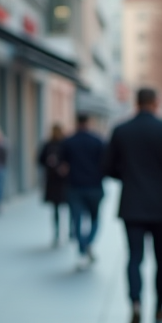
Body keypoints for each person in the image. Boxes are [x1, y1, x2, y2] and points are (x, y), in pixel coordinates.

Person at [104, 88, 162, 323]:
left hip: (132, 203)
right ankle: (160, 307)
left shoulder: (121, 130)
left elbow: (107, 166)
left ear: (136, 103)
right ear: (156, 102)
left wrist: (129, 177)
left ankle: (135, 303)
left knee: (134, 257)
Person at [61, 113, 106, 270]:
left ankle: (82, 247)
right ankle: (87, 244)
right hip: (94, 186)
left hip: (75, 186)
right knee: (95, 218)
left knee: (76, 219)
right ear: (88, 122)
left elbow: (62, 165)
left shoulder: (68, 141)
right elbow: (106, 163)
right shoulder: (98, 141)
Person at [37, 124, 69, 246]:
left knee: (56, 208)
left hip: (56, 181)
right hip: (61, 181)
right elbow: (40, 159)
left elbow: (40, 160)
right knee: (66, 205)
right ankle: (67, 232)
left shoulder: (50, 144)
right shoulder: (62, 143)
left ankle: (58, 233)